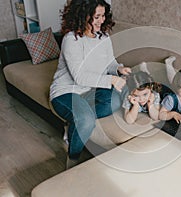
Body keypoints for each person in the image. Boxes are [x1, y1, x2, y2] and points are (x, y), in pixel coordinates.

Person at [49, 0, 131, 169]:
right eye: (96, 17)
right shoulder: (71, 39)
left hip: (91, 89)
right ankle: (72, 161)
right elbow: (79, 77)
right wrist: (111, 80)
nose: (101, 20)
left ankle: (75, 121)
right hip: (66, 92)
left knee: (115, 102)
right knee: (86, 120)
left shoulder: (104, 37)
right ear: (83, 17)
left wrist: (119, 70)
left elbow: (110, 63)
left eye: (103, 16)